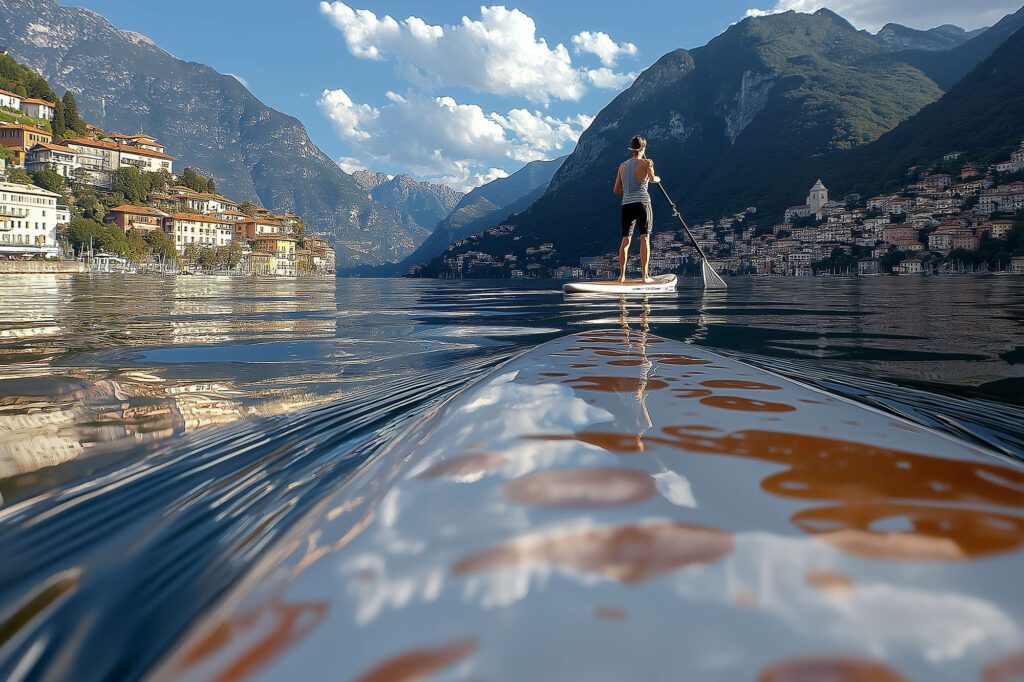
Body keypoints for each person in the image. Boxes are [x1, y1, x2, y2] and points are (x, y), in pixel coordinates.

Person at [613, 135, 660, 283]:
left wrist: (628, 193)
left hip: (626, 204)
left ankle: (622, 276)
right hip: (642, 203)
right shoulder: (647, 162)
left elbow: (616, 189)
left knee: (625, 240)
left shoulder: (622, 166)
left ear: (632, 149)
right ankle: (645, 276)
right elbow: (652, 180)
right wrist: (658, 178)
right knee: (644, 238)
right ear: (643, 148)